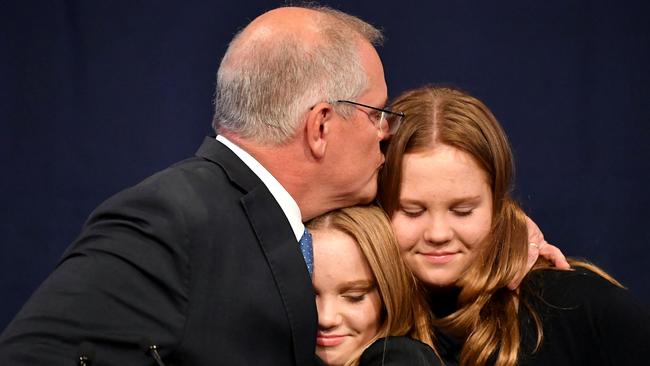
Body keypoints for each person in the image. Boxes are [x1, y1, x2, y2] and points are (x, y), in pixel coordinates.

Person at [0, 5, 396, 365]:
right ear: (321, 125)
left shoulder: (255, 221)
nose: (385, 133)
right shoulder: (169, 221)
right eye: (376, 114)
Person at [376, 85, 650, 365]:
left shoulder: (576, 306)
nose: (438, 233)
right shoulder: (348, 318)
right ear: (379, 205)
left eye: (463, 211)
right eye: (411, 211)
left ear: (496, 204)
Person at [308, 205, 440, 366]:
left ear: (388, 297)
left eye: (354, 297)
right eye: (307, 295)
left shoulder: (402, 358)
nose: (326, 318)